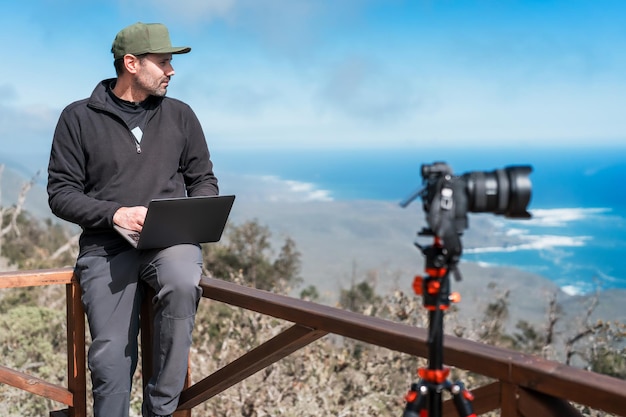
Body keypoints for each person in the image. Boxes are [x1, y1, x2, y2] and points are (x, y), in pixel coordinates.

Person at [47, 22, 219, 417]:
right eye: (163, 63)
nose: (171, 71)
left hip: (170, 241)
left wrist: (193, 214)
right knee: (109, 361)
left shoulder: (181, 116)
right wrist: (114, 213)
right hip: (106, 247)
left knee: (181, 282)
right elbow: (61, 194)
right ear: (131, 64)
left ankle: (159, 411)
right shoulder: (78, 118)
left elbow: (203, 179)